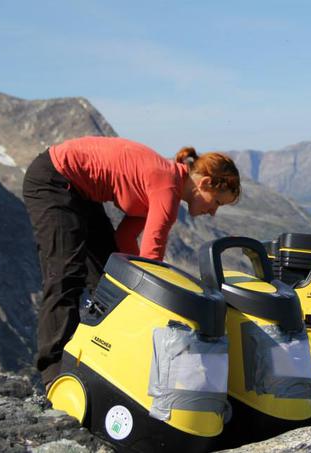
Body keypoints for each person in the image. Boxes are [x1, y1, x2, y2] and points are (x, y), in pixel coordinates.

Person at [22, 136, 241, 388]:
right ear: (204, 183)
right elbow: (151, 260)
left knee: (107, 278)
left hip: (79, 191)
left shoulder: (164, 185)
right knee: (65, 273)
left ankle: (103, 356)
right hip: (54, 180)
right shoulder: (166, 188)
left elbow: (125, 240)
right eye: (216, 202)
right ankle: (55, 372)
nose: (213, 213)